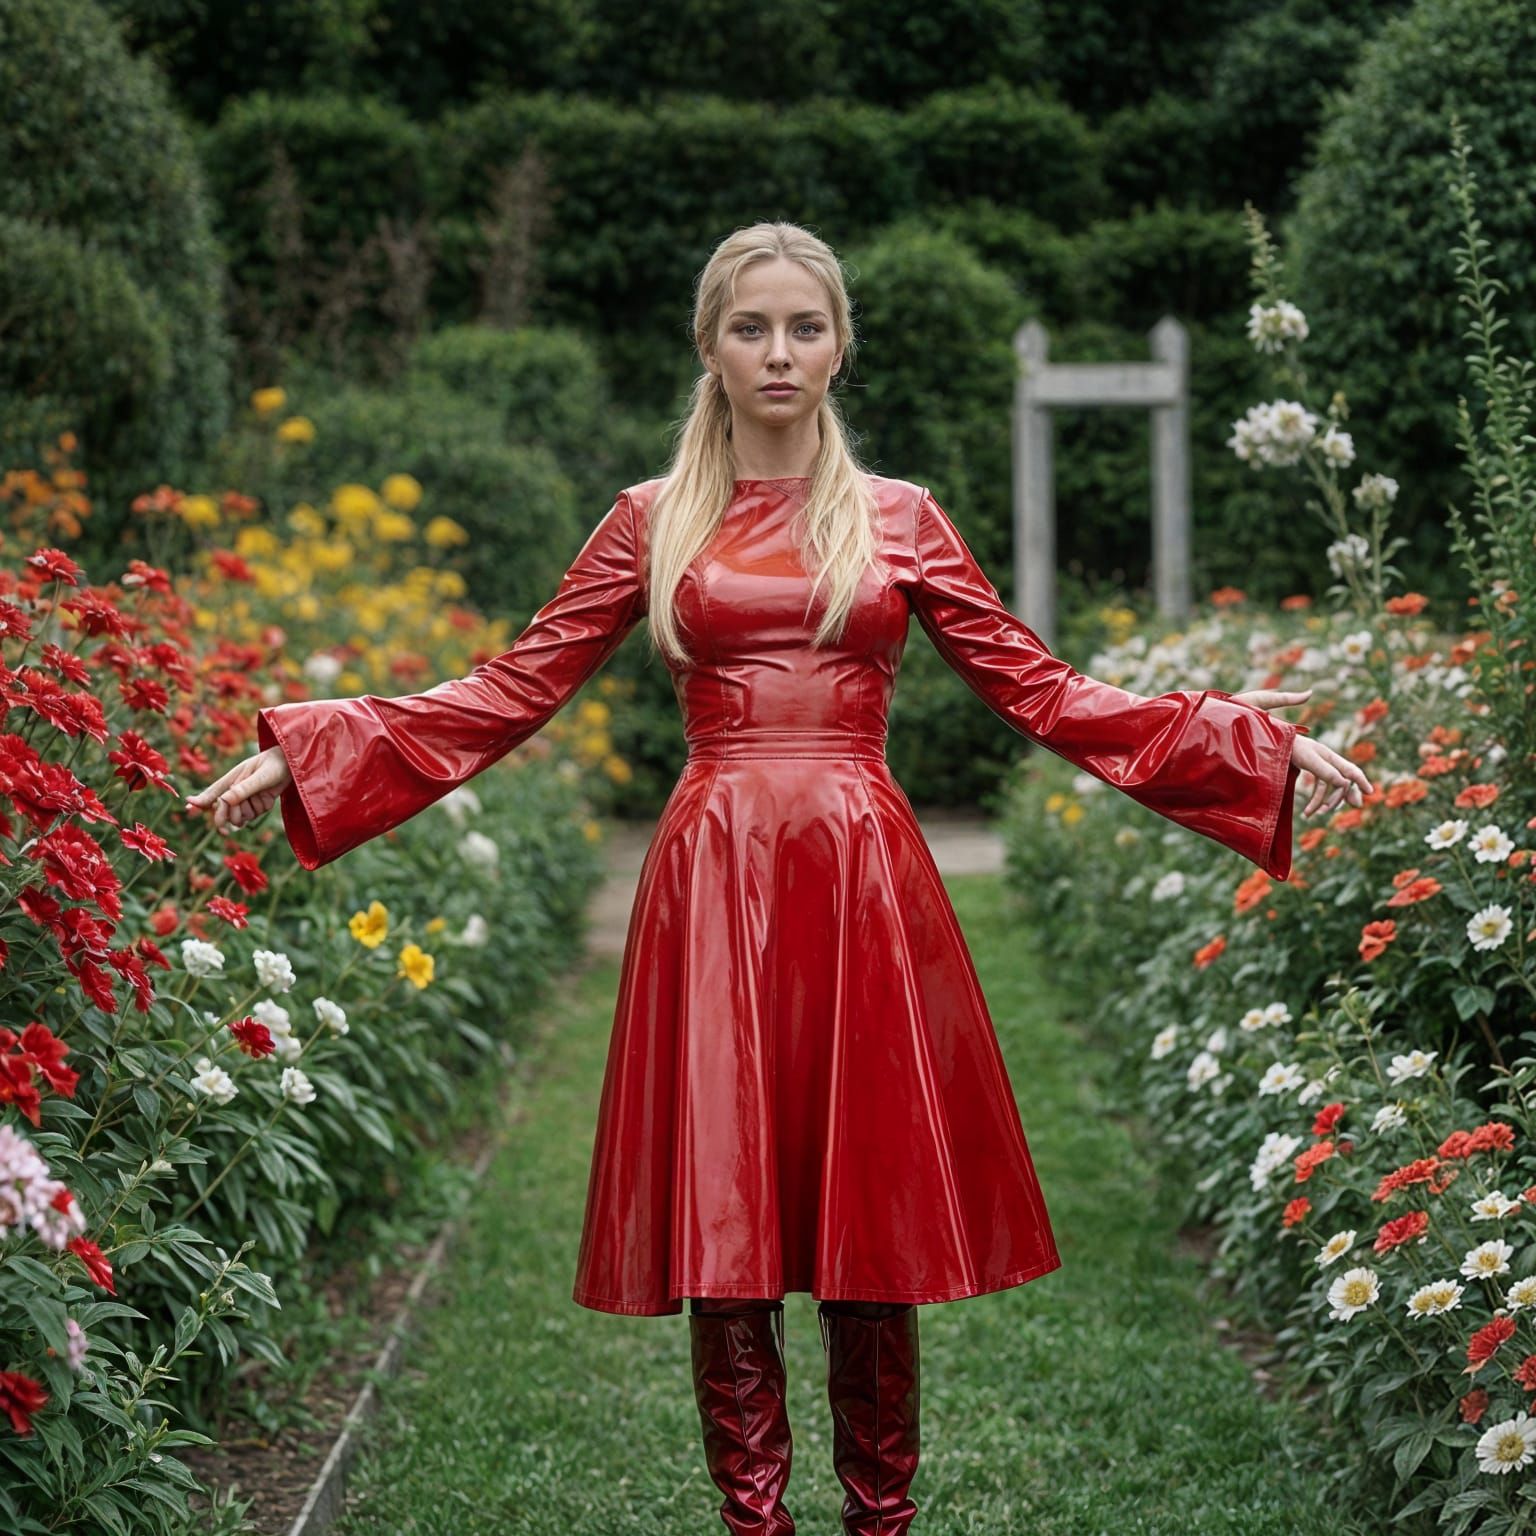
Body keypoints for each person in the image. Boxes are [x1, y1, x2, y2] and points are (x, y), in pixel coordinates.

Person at [186, 221, 1372, 1535]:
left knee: (874, 1229)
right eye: (750, 327)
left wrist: (1236, 738)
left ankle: (882, 1522)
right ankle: (756, 1527)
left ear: (840, 346)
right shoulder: (650, 519)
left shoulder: (901, 519)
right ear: (709, 347)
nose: (778, 351)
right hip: (714, 881)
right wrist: (324, 747)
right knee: (729, 1232)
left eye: (805, 327)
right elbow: (511, 689)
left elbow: (1042, 690)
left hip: (863, 877)